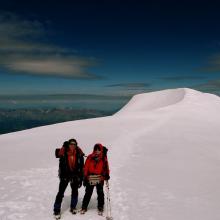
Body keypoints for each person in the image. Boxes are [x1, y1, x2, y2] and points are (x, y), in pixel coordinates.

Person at [53, 138, 84, 217]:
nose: (72, 146)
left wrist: (81, 178)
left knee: (75, 191)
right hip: (65, 176)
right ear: (68, 145)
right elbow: (58, 154)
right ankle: (56, 210)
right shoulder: (63, 152)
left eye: (74, 144)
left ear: (76, 145)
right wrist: (63, 147)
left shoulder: (79, 154)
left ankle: (73, 207)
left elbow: (81, 167)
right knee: (60, 193)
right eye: (71, 144)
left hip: (75, 175)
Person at [81, 143, 110, 215]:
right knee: (88, 192)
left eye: (99, 149)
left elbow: (106, 168)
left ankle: (100, 207)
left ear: (101, 150)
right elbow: (86, 167)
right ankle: (84, 207)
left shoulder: (104, 158)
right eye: (96, 149)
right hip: (90, 177)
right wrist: (85, 176)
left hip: (100, 178)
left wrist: (107, 175)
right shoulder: (90, 157)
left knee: (100, 193)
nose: (97, 151)